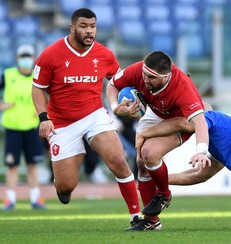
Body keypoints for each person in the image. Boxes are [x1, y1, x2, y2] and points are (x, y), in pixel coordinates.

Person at [31, 8, 141, 230]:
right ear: (72, 27)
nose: (89, 31)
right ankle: (62, 183)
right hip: (62, 123)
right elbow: (37, 89)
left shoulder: (105, 54)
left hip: (94, 115)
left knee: (119, 161)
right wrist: (44, 118)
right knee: (66, 186)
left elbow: (117, 81)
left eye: (92, 26)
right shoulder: (51, 54)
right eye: (83, 26)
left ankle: (137, 217)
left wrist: (120, 103)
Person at [106, 51, 210, 230]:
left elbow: (199, 122)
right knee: (140, 162)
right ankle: (151, 222)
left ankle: (163, 193)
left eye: (152, 77)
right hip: (155, 113)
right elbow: (112, 84)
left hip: (181, 121)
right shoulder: (140, 70)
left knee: (149, 153)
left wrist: (201, 150)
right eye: (145, 74)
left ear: (166, 76)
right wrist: (115, 108)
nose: (145, 80)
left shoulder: (182, 88)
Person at [0, 44, 47, 210]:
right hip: (13, 127)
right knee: (12, 165)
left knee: (32, 164)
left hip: (31, 127)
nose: (26, 60)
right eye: (23, 56)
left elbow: (50, 95)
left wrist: (43, 110)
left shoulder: (38, 77)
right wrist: (2, 105)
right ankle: (10, 199)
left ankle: (35, 199)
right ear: (17, 59)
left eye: (28, 56)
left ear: (33, 58)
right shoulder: (8, 75)